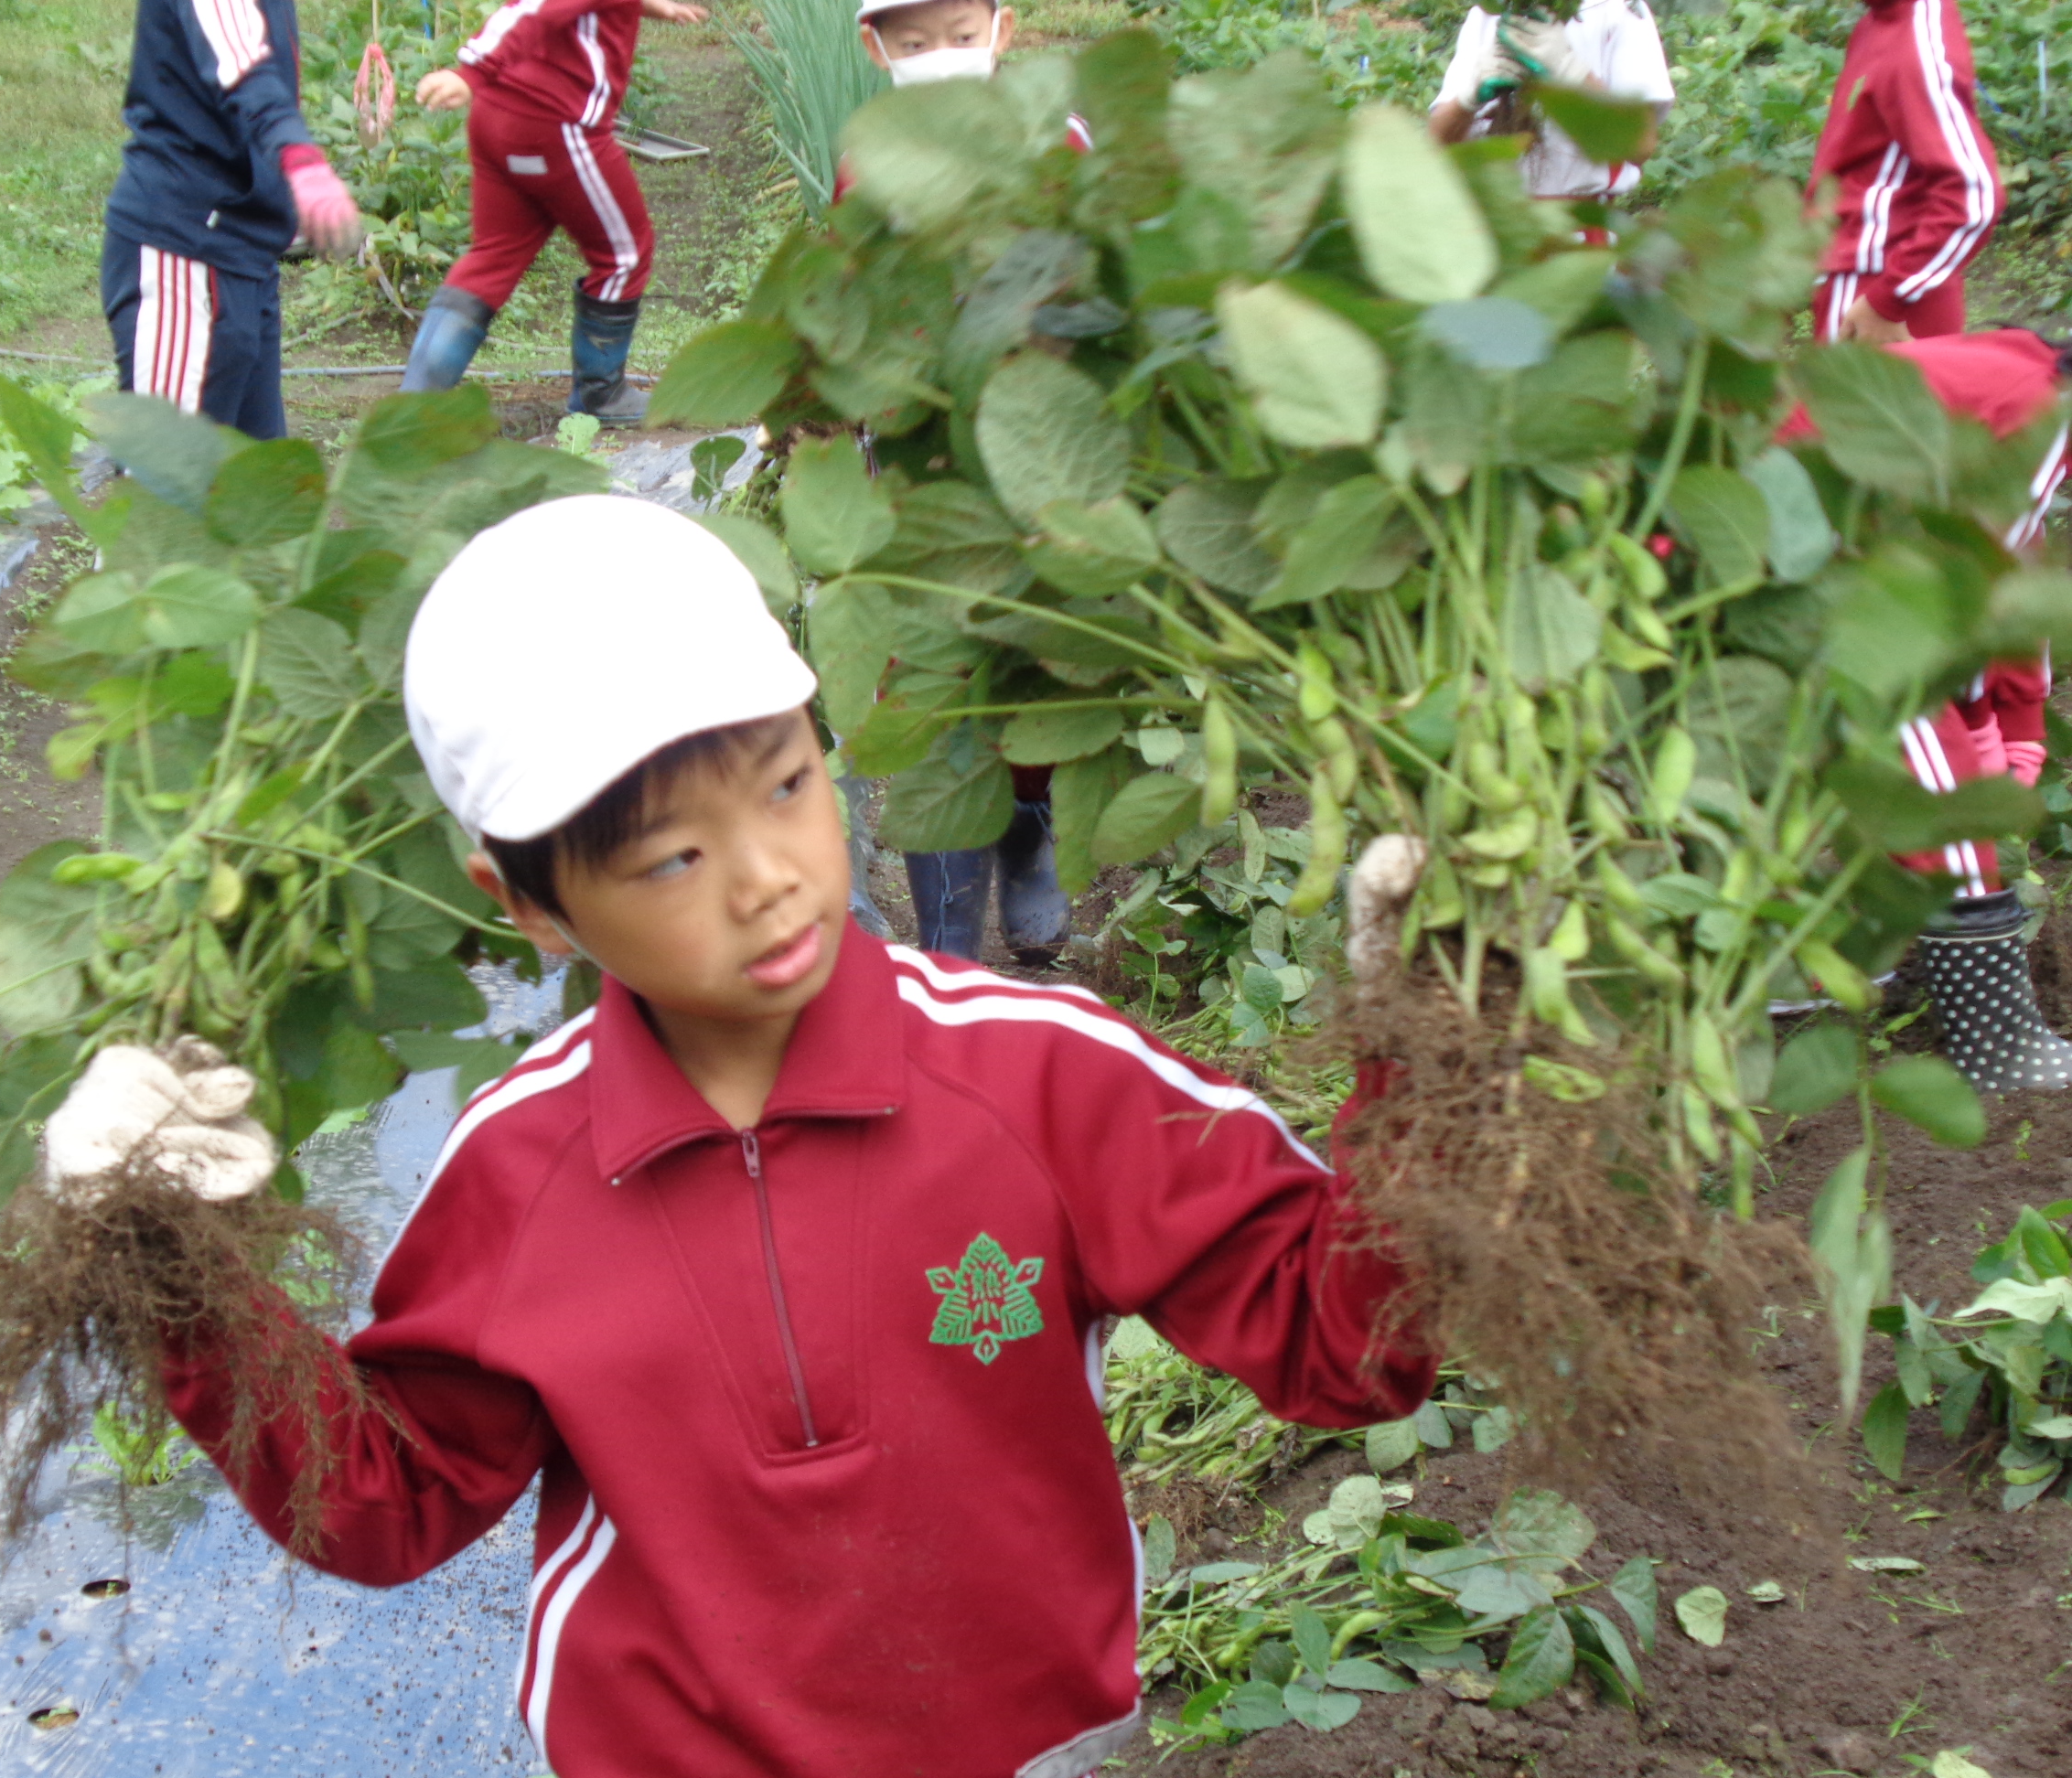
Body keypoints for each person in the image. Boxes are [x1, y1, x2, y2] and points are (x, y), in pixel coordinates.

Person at [137, 494, 1434, 1774]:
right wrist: (170, 1267)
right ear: (528, 905)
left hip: (1022, 1742)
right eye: (672, 860)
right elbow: (387, 1499)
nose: (767, 878)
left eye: (787, 785)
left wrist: (1428, 1066)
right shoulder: (517, 1170)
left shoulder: (1041, 1079)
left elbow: (1347, 1351)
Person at [845, 0, 1083, 961]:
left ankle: (1028, 828)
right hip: (915, 461)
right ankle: (947, 933)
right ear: (875, 49)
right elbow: (847, 299)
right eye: (912, 44)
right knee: (927, 668)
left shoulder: (1059, 142)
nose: (936, 57)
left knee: (1034, 656)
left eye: (956, 35)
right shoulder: (868, 165)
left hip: (1035, 452)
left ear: (1001, 30)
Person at [1781, 330, 2071, 1087]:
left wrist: (2019, 722)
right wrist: (1976, 723)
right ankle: (1996, 1045)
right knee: (1944, 799)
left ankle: (1790, 963)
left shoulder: (2024, 387)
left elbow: (2014, 565)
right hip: (1811, 558)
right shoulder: (2041, 412)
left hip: (1789, 531)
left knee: (1796, 771)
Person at [398, 0, 710, 425]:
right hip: (554, 124)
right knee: (624, 254)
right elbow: (535, 7)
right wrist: (471, 71)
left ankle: (413, 408)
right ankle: (601, 394)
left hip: (498, 116)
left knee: (495, 253)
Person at [102, 0, 364, 439]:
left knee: (257, 474)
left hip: (249, 247)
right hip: (185, 251)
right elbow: (242, 65)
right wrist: (301, 160)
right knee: (173, 468)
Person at [1806, 0, 1998, 344]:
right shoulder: (1877, 22)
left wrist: (1889, 298)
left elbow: (1974, 193)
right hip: (1863, 276)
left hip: (1877, 289)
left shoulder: (1916, 42)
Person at [1426, 1, 1674, 209]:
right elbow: (1437, 144)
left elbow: (1641, 145)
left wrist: (1573, 72)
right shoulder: (1489, 12)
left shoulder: (1618, 10)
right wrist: (1467, 96)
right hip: (1490, 226)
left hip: (1576, 228)